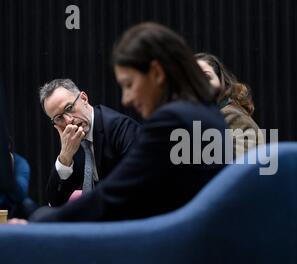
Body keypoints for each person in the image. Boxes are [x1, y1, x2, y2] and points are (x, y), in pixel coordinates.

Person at [22, 22, 227, 223]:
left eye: (129, 84)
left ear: (156, 73)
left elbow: (117, 195)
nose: (125, 99)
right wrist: (65, 157)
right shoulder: (204, 111)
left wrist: (40, 224)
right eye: (58, 117)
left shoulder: (170, 121)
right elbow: (56, 199)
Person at [40, 79, 141, 207]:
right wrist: (65, 157)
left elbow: (136, 186)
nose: (69, 120)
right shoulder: (71, 140)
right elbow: (54, 201)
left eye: (69, 108)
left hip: (123, 210)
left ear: (84, 98)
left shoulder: (121, 128)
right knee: (41, 215)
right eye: (59, 118)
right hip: (96, 212)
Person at [195, 53, 264, 158]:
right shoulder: (205, 116)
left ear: (221, 81)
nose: (201, 84)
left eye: (206, 77)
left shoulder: (231, 115)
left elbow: (240, 165)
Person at [0, 136, 37, 219]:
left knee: (28, 205)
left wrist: (6, 173)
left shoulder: (20, 163)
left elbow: (20, 195)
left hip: (11, 204)